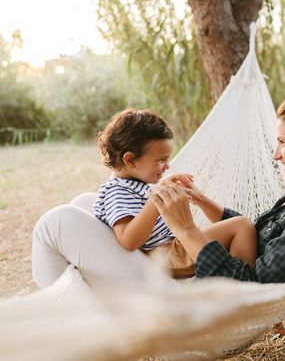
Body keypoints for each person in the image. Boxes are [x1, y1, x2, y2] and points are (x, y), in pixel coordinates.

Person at [32, 78, 285, 287]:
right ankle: (77, 301)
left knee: (57, 221)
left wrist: (186, 229)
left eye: (282, 142)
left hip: (181, 280)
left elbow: (254, 282)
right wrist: (200, 200)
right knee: (84, 204)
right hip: (159, 257)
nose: (276, 154)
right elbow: (255, 235)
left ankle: (72, 309)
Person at [91, 109, 257, 279]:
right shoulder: (116, 191)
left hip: (174, 249)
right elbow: (128, 240)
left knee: (237, 230)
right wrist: (157, 199)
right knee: (241, 226)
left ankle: (234, 283)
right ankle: (240, 288)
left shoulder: (134, 185)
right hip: (165, 255)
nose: (167, 166)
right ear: (130, 160)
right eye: (160, 160)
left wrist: (162, 189)